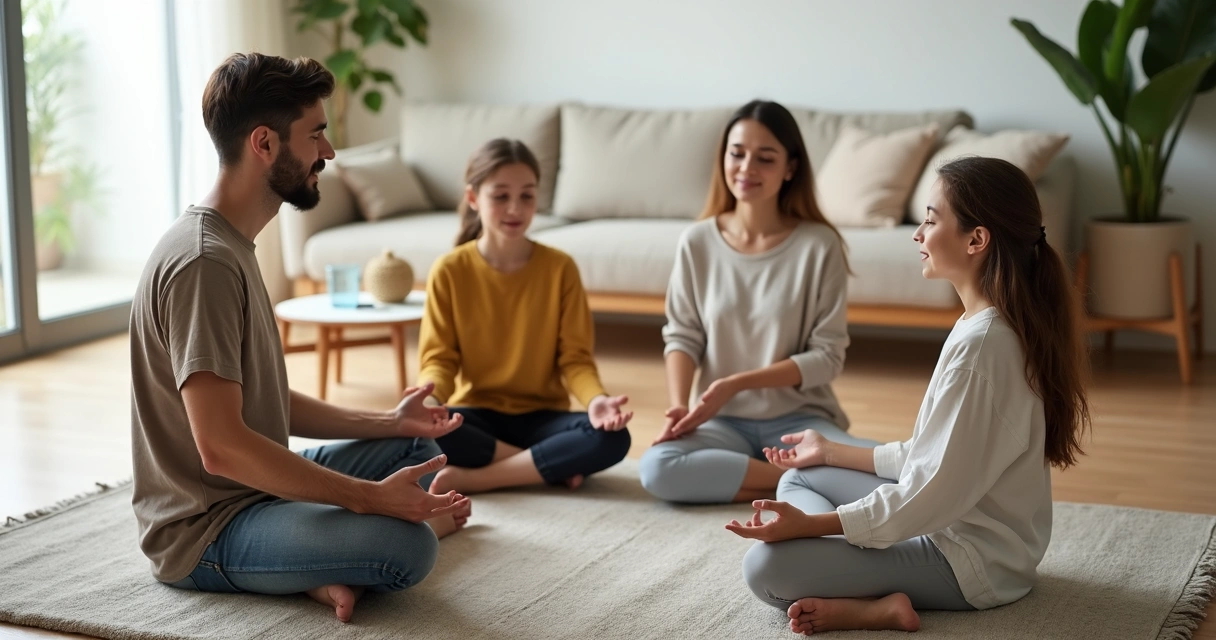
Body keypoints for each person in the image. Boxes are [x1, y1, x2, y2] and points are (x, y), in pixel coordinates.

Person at [129, 53, 470, 624]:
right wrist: (368, 499)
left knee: (417, 452)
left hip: (258, 490)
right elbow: (220, 446)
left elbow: (265, 401)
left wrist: (389, 422)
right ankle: (312, 569)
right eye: (315, 134)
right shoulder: (205, 263)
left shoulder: (231, 243)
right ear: (264, 143)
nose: (328, 151)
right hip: (208, 527)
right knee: (408, 546)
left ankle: (313, 566)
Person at [728, 156, 1091, 635]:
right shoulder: (982, 325)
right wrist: (830, 451)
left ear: (977, 240)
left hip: (970, 562)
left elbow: (925, 496)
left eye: (931, 220)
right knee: (801, 476)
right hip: (947, 526)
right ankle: (850, 575)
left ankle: (873, 606)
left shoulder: (984, 348)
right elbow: (929, 456)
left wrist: (812, 527)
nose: (918, 234)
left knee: (765, 569)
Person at [638, 99, 864, 504]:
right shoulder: (697, 242)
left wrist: (736, 384)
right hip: (722, 423)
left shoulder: (819, 245)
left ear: (790, 168)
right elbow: (683, 336)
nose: (746, 168)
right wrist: (679, 407)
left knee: (889, 471)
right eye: (737, 154)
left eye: (765, 158)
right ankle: (802, 478)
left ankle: (791, 476)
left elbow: (827, 358)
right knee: (658, 467)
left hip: (800, 420)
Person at [418, 138, 632, 496]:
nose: (515, 208)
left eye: (527, 195)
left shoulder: (560, 268)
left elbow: (576, 360)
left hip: (544, 419)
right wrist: (428, 401)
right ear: (473, 198)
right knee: (425, 430)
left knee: (613, 437)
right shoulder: (449, 270)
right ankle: (544, 467)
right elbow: (439, 359)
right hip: (477, 415)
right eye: (501, 196)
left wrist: (597, 401)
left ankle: (476, 478)